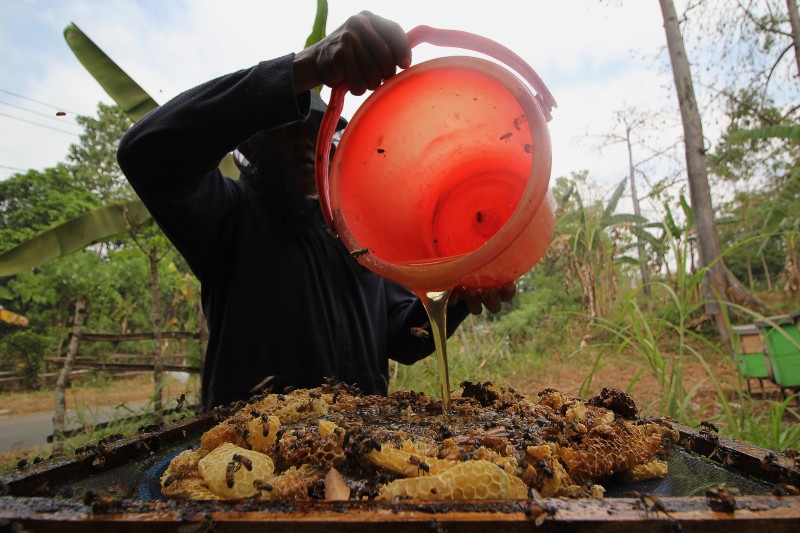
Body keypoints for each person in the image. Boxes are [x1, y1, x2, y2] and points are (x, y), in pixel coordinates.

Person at [117, 11, 515, 411]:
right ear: (252, 146)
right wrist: (306, 67)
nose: (305, 143)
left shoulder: (355, 238)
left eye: (315, 131)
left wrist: (459, 296)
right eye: (288, 130)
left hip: (360, 455)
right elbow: (146, 151)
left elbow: (404, 338)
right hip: (249, 460)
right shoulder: (228, 214)